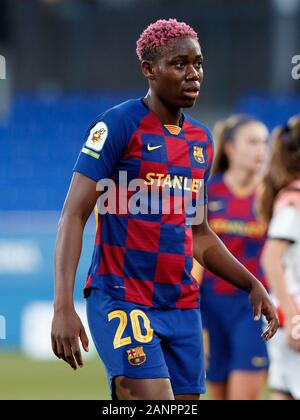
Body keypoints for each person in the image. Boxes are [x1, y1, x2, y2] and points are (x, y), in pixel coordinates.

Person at [51, 18, 278, 401]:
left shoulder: (201, 141)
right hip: (123, 298)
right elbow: (73, 214)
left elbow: (200, 235)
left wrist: (250, 283)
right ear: (149, 70)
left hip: (182, 305)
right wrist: (62, 306)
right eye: (180, 64)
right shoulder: (118, 126)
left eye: (199, 63)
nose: (193, 74)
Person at [200, 115, 270, 400]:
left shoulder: (273, 196)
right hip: (208, 307)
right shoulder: (205, 192)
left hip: (252, 308)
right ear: (230, 148)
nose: (261, 150)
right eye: (252, 141)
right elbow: (193, 249)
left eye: (265, 142)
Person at [260, 116, 300, 400]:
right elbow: (271, 259)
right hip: (293, 312)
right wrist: (293, 318)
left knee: (283, 391)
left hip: (288, 313)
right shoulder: (293, 201)